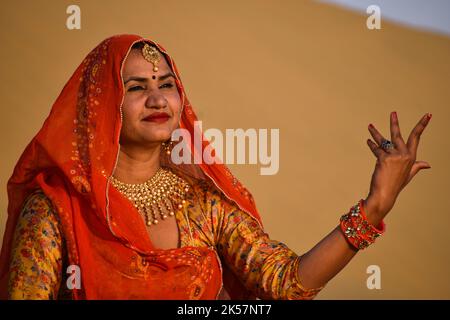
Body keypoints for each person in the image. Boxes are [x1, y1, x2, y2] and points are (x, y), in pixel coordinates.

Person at [0, 34, 432, 300]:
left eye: (166, 85)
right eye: (136, 87)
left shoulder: (203, 204)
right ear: (101, 104)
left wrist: (374, 208)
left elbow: (283, 284)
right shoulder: (56, 210)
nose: (157, 99)